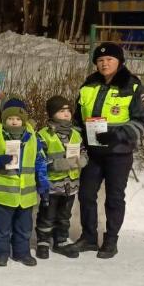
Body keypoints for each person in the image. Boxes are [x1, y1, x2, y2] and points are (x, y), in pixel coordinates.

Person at [74, 42, 144, 258]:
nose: (104, 63)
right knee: (86, 194)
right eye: (100, 60)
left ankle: (111, 241)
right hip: (93, 152)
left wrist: (117, 135)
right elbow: (77, 119)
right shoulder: (88, 85)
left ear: (119, 61)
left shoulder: (133, 86)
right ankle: (88, 238)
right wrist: (75, 140)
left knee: (114, 198)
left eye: (109, 59)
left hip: (118, 153)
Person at [0, 97, 49, 267]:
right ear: (4, 119)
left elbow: (40, 162)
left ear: (23, 120)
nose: (14, 122)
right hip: (5, 194)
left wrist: (43, 183)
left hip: (26, 195)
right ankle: (1, 253)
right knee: (2, 228)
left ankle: (21, 253)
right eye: (10, 118)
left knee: (24, 227)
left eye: (18, 119)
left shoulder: (33, 138)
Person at [35, 96, 88, 259]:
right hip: (51, 185)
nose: (66, 114)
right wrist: (59, 164)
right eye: (61, 111)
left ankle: (61, 241)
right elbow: (39, 158)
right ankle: (43, 242)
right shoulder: (44, 134)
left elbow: (83, 150)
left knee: (65, 216)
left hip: (70, 186)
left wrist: (83, 160)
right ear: (52, 114)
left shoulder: (76, 134)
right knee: (47, 215)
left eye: (68, 111)